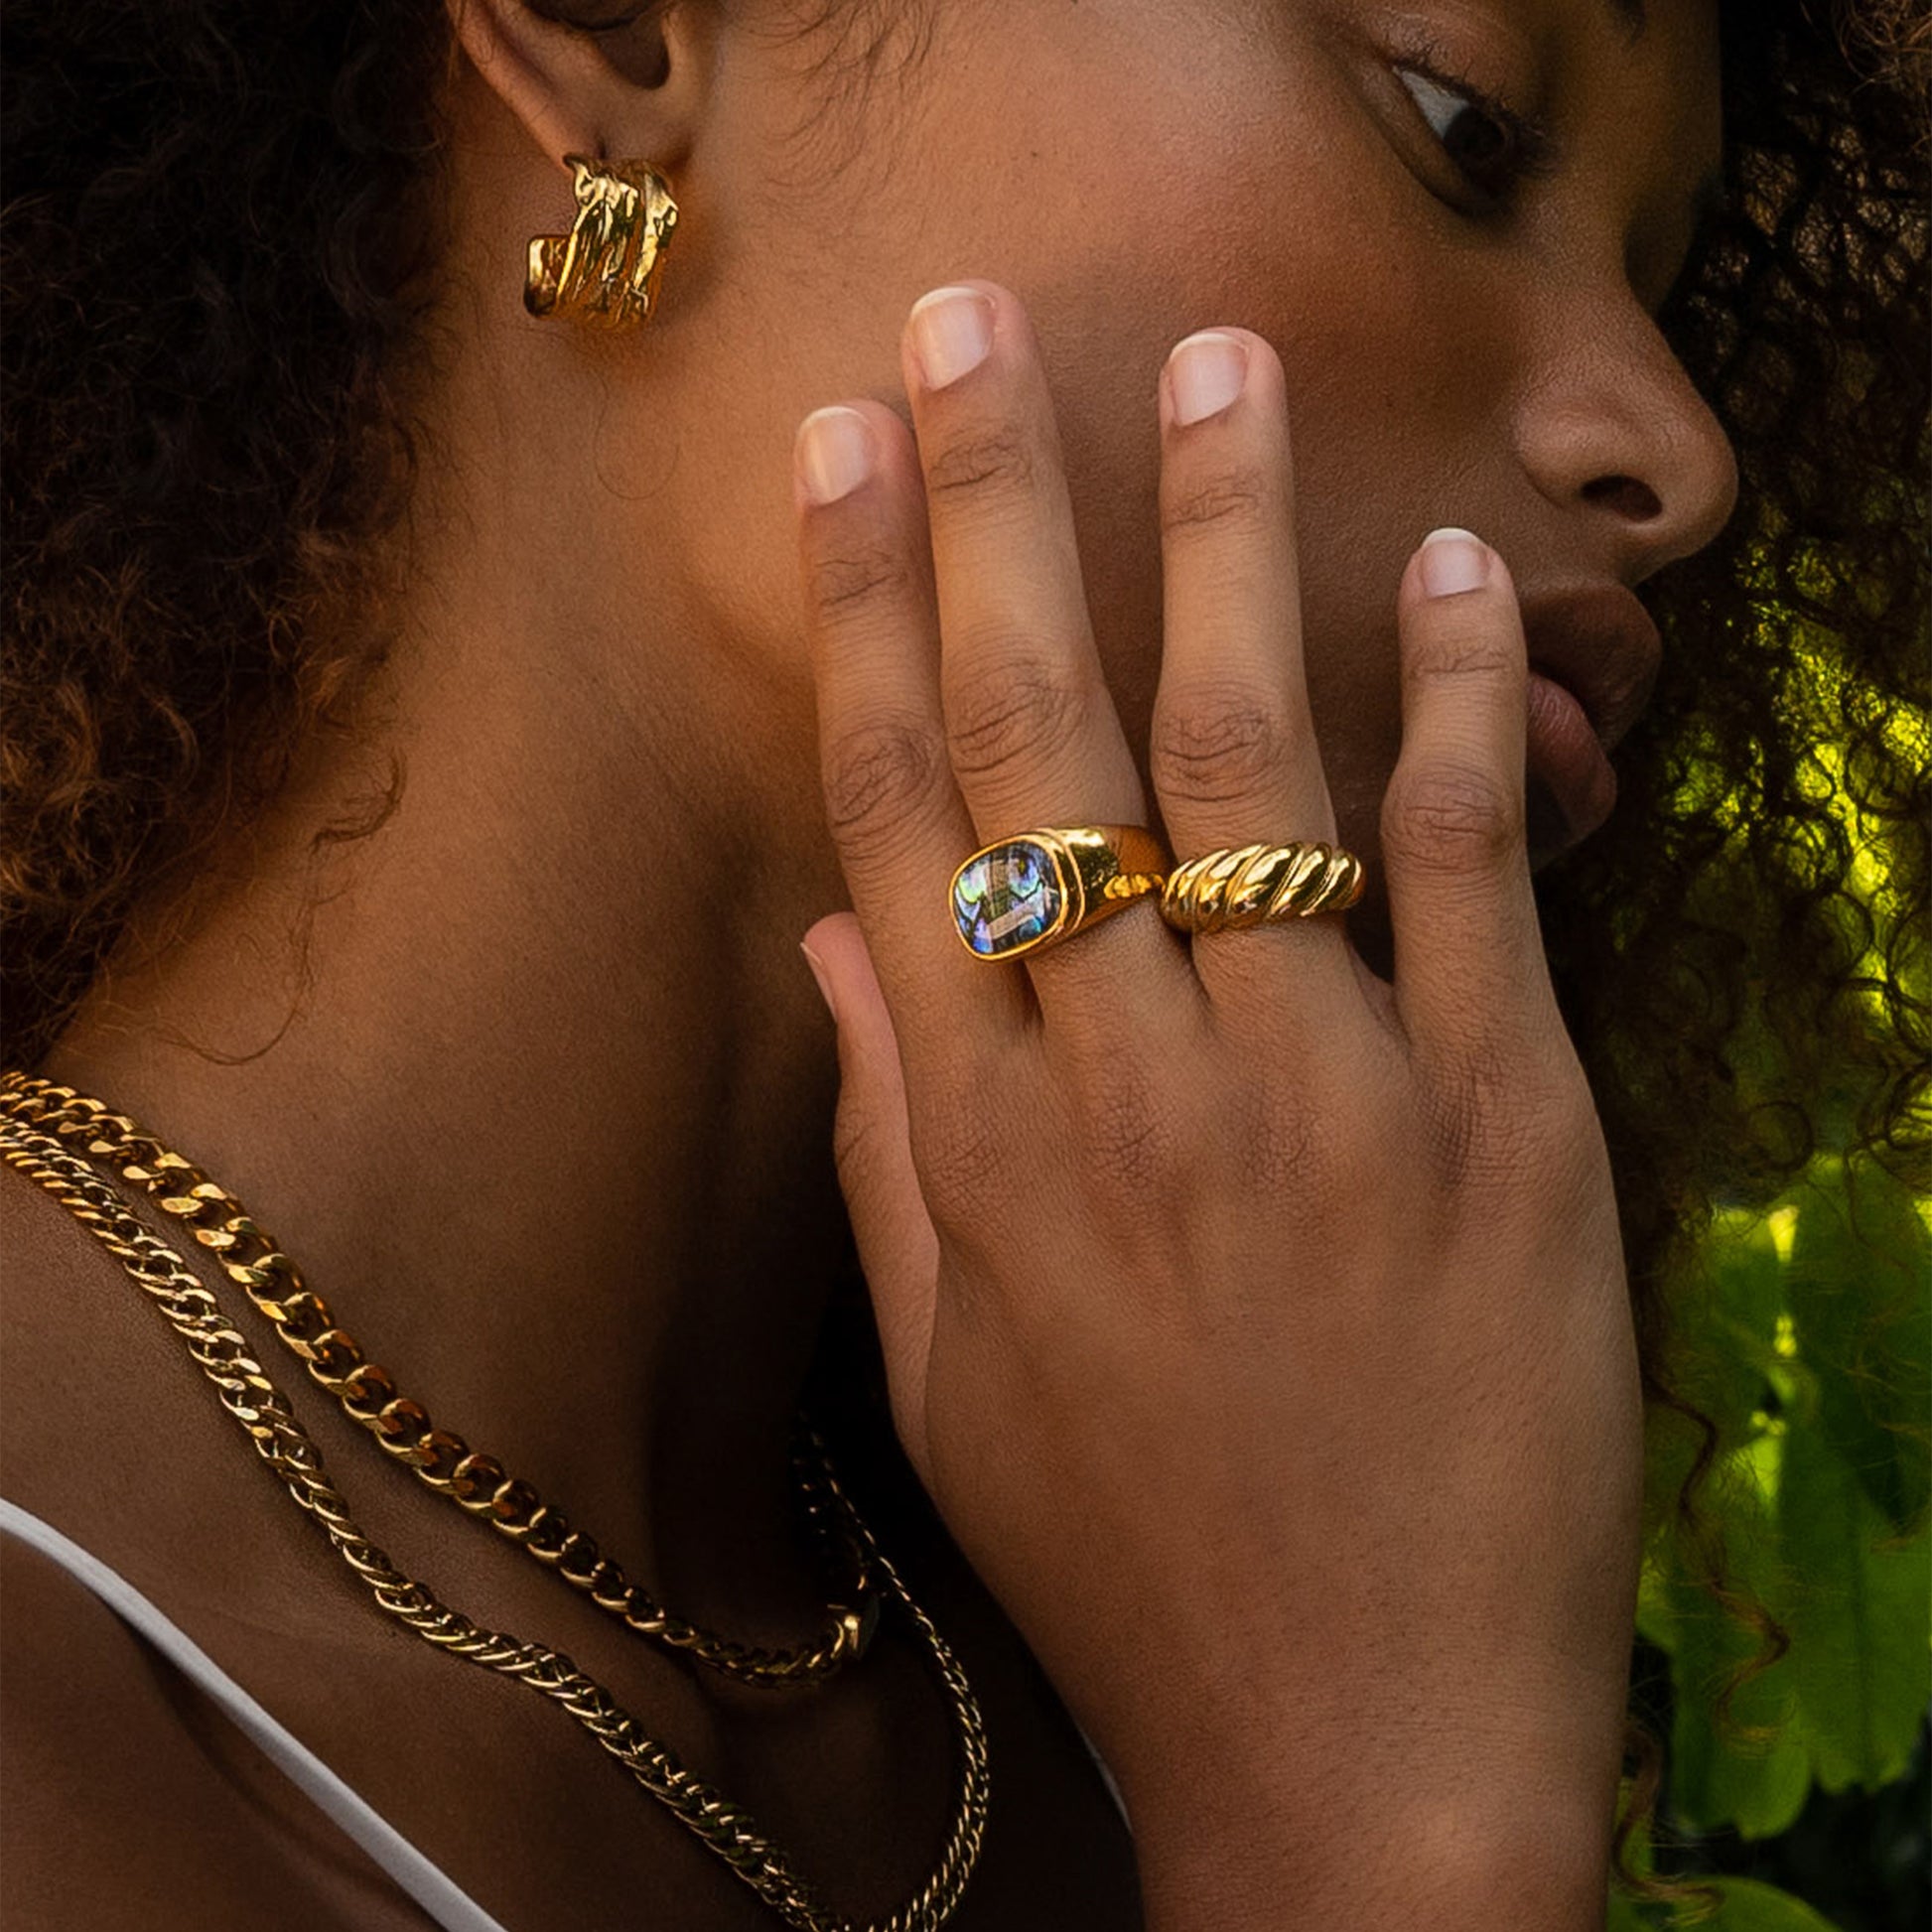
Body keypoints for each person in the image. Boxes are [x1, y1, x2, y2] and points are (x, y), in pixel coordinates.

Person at [0, 1, 1922, 1927]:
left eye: (1664, 282)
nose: (1677, 452)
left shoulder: (1114, 1639)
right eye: (1465, 127)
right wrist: (1380, 1830)